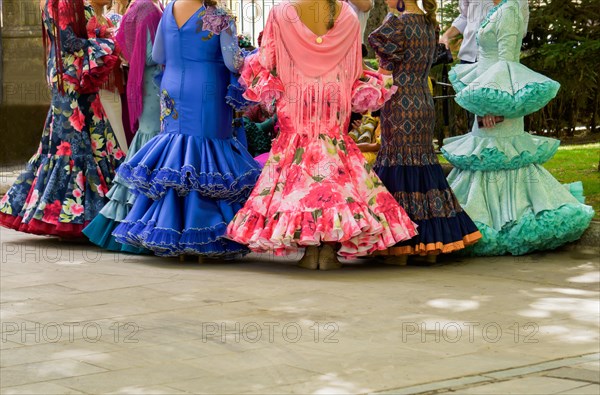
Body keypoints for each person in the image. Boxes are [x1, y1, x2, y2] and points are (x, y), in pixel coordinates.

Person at [226, 0, 418, 270]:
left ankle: (309, 248)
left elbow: (267, 60)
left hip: (296, 97)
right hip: (334, 97)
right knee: (333, 164)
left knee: (299, 168)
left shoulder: (281, 12)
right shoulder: (348, 14)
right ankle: (328, 249)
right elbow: (354, 68)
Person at [441, 0, 594, 255]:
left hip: (500, 98)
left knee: (502, 155)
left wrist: (493, 106)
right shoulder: (496, 7)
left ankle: (507, 220)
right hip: (486, 91)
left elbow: (508, 63)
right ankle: (486, 216)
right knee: (484, 155)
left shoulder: (511, 8)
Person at [112, 0, 261, 258]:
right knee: (206, 157)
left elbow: (158, 55)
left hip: (172, 88)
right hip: (207, 90)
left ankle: (174, 235)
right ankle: (203, 237)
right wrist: (255, 56)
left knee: (176, 155)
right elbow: (232, 62)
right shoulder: (219, 15)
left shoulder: (169, 9)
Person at [369, 0, 481, 263]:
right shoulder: (430, 24)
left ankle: (398, 249)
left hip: (398, 104)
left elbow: (384, 73)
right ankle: (432, 245)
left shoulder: (394, 24)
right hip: (423, 101)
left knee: (397, 164)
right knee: (422, 164)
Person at [0, 0, 124, 238]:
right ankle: (76, 217)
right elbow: (68, 42)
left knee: (91, 138)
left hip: (80, 78)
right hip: (70, 80)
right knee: (72, 142)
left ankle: (91, 215)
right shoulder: (61, 2)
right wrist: (105, 46)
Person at [83, 0, 163, 253]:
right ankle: (139, 216)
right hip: (152, 82)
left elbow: (128, 50)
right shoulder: (147, 8)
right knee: (149, 139)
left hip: (148, 82)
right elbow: (148, 54)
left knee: (148, 139)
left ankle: (134, 215)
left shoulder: (141, 7)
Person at [88, 0, 128, 152]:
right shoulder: (88, 19)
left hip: (113, 84)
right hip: (99, 85)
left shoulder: (108, 20)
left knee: (117, 129)